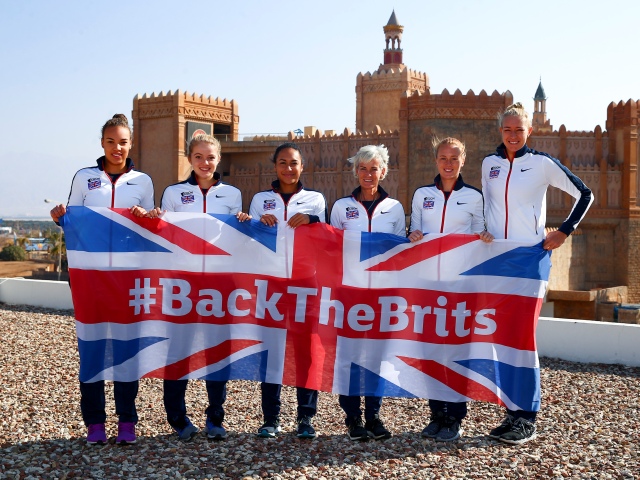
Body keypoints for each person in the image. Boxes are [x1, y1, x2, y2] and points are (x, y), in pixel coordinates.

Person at [481, 102, 593, 445]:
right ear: (500, 131)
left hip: (530, 259)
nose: (513, 135)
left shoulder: (542, 164)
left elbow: (585, 194)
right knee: (501, 337)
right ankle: (511, 412)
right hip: (496, 259)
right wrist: (484, 230)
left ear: (530, 131)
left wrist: (564, 231)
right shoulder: (489, 164)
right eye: (507, 129)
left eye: (519, 129)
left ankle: (527, 417)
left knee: (522, 337)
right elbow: (488, 206)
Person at [49, 114, 155, 445]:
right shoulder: (84, 177)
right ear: (102, 143)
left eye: (123, 142)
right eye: (111, 141)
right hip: (90, 279)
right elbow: (73, 222)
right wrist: (59, 217)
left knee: (127, 352)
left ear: (131, 144)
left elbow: (153, 227)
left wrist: (147, 218)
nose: (117, 148)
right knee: (91, 351)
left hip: (129, 280)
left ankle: (127, 422)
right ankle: (94, 423)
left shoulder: (143, 182)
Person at [157, 134, 250, 441]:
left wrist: (244, 221)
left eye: (210, 157)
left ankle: (216, 419)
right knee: (179, 352)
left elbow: (235, 237)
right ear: (189, 158)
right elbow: (165, 236)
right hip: (183, 283)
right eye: (198, 157)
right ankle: (177, 418)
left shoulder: (233, 194)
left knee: (217, 352)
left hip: (220, 283)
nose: (205, 163)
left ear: (218, 159)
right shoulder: (173, 193)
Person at [408, 136, 493, 442]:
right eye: (443, 158)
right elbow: (413, 232)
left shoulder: (473, 196)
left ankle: (455, 417)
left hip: (460, 287)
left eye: (454, 159)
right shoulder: (421, 195)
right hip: (428, 286)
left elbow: (481, 232)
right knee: (431, 353)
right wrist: (413, 234)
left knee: (456, 353)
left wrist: (483, 237)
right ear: (436, 161)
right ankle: (436, 414)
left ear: (463, 161)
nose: (448, 164)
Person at [249, 142, 328, 439]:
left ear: (302, 166)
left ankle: (306, 418)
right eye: (283, 162)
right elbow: (250, 238)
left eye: (293, 162)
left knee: (306, 350)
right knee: (272, 351)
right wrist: (259, 223)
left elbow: (327, 233)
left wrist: (312, 219)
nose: (288, 168)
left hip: (305, 282)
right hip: (271, 284)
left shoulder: (315, 199)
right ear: (275, 166)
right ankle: (271, 418)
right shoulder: (260, 199)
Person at [330, 145, 404, 441]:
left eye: (374, 169)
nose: (368, 174)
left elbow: (400, 250)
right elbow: (331, 248)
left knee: (376, 357)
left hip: (382, 293)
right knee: (349, 356)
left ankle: (374, 416)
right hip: (350, 292)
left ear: (383, 172)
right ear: (355, 171)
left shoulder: (395, 208)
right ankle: (353, 418)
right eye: (363, 168)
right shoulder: (340, 207)